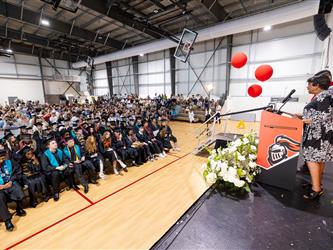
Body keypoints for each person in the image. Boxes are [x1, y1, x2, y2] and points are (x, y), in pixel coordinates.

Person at [300, 75, 333, 199]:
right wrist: (303, 117)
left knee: (312, 159)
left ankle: (316, 189)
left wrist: (308, 120)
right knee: (318, 159)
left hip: (318, 134)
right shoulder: (323, 96)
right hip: (319, 132)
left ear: (317, 85)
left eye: (309, 84)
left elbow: (325, 115)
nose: (307, 87)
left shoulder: (323, 96)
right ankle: (317, 184)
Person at [0, 148, 26, 232]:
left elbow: (17, 172)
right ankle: (7, 221)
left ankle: (19, 208)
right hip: (0, 189)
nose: (1, 160)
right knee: (0, 198)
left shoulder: (9, 162)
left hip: (10, 184)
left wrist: (11, 181)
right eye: (0, 158)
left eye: (3, 158)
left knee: (19, 191)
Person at [40, 136, 73, 201]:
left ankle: (71, 184)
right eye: (53, 143)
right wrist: (57, 168)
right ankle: (56, 193)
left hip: (61, 168)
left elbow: (65, 159)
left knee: (70, 167)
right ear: (48, 146)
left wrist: (67, 164)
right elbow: (45, 167)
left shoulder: (59, 151)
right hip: (51, 172)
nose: (55, 144)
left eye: (55, 143)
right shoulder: (45, 155)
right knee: (55, 173)